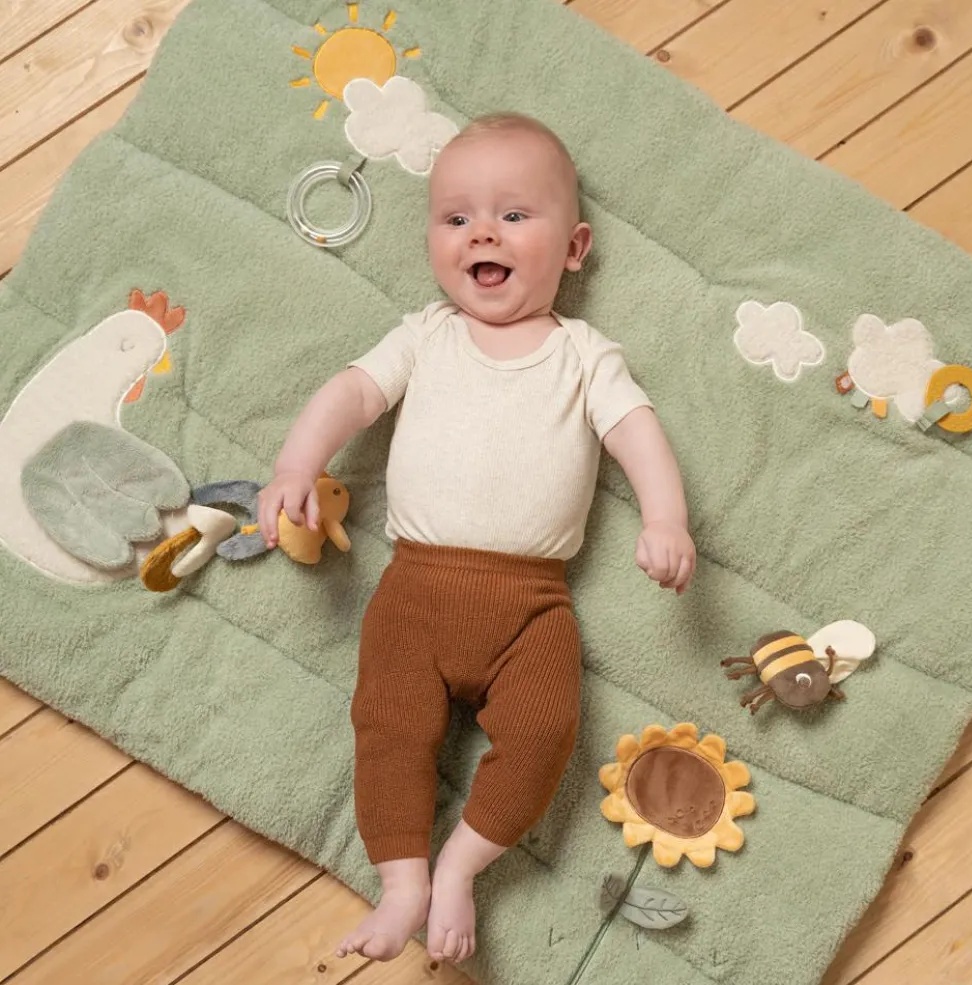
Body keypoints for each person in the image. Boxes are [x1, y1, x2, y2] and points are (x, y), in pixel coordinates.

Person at [259, 112, 696, 966]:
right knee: (387, 728)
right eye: (456, 217)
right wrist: (296, 464)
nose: (482, 232)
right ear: (432, 240)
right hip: (413, 593)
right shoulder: (424, 335)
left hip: (532, 607)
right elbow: (351, 393)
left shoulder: (584, 355)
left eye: (513, 215)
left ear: (574, 249)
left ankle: (461, 862)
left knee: (545, 731)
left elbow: (637, 433)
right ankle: (403, 881)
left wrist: (665, 518)